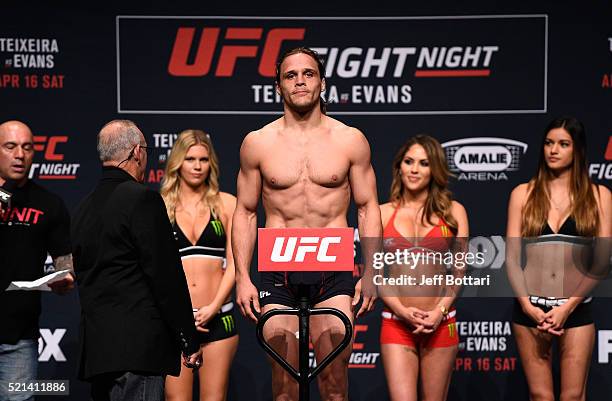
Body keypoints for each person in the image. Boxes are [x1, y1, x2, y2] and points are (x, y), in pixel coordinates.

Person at [232, 47, 381, 401]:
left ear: (322, 82)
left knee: (333, 385)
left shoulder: (350, 140)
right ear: (278, 86)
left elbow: (367, 207)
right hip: (278, 266)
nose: (300, 81)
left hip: (333, 267)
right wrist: (241, 277)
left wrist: (373, 272)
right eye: (291, 75)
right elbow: (246, 212)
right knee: (283, 388)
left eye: (308, 73)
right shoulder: (257, 143)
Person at [71, 120, 202, 401]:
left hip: (98, 352)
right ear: (136, 152)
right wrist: (188, 338)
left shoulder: (82, 208)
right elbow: (165, 276)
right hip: (137, 349)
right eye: (146, 149)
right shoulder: (142, 200)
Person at [506, 117, 611, 401]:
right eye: (549, 143)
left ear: (577, 150)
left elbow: (601, 262)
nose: (553, 150)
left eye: (563, 144)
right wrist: (527, 306)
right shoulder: (522, 194)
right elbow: (513, 259)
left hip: (575, 309)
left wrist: (567, 307)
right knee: (540, 395)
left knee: (573, 396)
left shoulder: (599, 196)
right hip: (531, 311)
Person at [379, 135, 468, 401]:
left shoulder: (454, 212)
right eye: (409, 162)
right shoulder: (382, 213)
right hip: (396, 323)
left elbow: (459, 272)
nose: (415, 169)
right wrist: (401, 310)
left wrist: (440, 311)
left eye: (423, 163)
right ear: (399, 167)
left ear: (435, 169)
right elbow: (374, 273)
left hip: (442, 323)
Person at [161, 130, 238, 401]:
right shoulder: (160, 207)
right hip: (174, 323)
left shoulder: (227, 204)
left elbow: (237, 264)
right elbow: (155, 268)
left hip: (219, 318)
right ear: (177, 163)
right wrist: (179, 314)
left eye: (203, 159)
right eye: (190, 158)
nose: (197, 166)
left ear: (211, 163)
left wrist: (213, 307)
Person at [0, 120, 74, 401]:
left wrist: (65, 275)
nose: (20, 154)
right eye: (10, 146)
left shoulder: (49, 204)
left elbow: (63, 257)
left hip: (19, 337)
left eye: (27, 148)